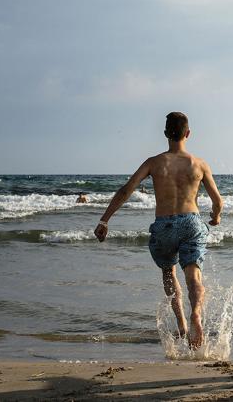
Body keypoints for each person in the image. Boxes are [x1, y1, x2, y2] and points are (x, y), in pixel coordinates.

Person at [93, 112, 223, 350]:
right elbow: (218, 201)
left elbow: (125, 190)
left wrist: (104, 221)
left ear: (165, 134)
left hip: (164, 225)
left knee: (168, 272)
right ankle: (196, 314)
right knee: (193, 275)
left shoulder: (153, 162)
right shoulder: (199, 164)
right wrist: (215, 217)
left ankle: (182, 325)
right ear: (188, 133)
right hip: (192, 222)